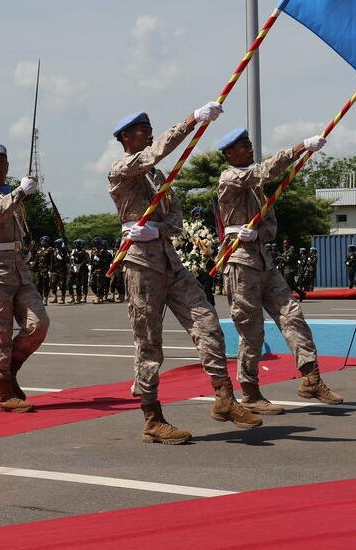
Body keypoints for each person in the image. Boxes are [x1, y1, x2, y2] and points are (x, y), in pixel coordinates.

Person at [109, 107, 260, 444]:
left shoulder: (158, 177)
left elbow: (176, 221)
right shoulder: (122, 170)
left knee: (207, 321)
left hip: (169, 260)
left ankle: (224, 397)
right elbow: (155, 153)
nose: (149, 134)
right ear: (124, 138)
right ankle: (152, 418)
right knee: (149, 344)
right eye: (142, 130)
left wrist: (156, 230)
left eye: (150, 128)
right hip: (141, 266)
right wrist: (192, 120)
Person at [216, 127, 342, 415]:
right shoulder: (230, 177)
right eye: (242, 146)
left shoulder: (259, 192)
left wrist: (258, 235)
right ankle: (249, 392)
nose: (249, 149)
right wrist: (300, 148)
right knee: (251, 331)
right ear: (228, 154)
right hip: (239, 262)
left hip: (262, 260)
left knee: (292, 314)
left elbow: (271, 227)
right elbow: (263, 171)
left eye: (249, 144)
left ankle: (311, 377)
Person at [0, 143, 50, 413]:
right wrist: (19, 192)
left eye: (1, 161)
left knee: (38, 324)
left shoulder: (13, 196)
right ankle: (5, 393)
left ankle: (10, 371)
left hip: (18, 268)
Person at [69, 239, 90, 305]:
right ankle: (72, 297)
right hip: (74, 270)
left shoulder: (84, 252)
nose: (76, 245)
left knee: (83, 283)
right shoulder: (73, 252)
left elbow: (88, 260)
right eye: (75, 244)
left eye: (77, 244)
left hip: (82, 270)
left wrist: (81, 264)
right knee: (70, 283)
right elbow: (71, 260)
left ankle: (81, 297)